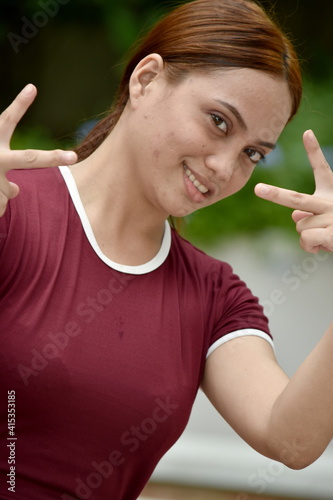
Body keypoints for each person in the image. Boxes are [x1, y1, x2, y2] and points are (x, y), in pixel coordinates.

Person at [0, 0, 332, 499]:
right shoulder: (12, 209)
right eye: (219, 121)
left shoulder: (214, 295)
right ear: (146, 79)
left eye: (252, 153)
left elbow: (290, 439)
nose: (225, 167)